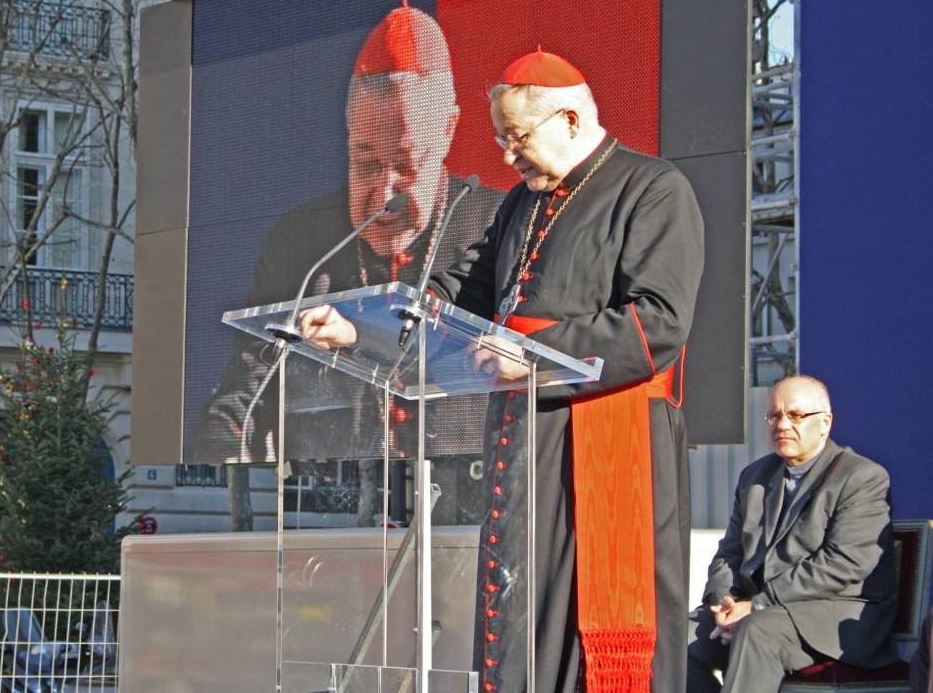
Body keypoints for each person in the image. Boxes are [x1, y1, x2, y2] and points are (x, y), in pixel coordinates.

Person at [300, 48, 704, 691]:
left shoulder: (652, 189)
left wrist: (534, 353)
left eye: (517, 137)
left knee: (587, 616)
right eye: (499, 138)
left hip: (607, 436)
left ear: (570, 120)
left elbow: (658, 323)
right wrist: (359, 327)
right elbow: (465, 290)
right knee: (521, 607)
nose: (506, 155)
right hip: (524, 438)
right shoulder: (520, 203)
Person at [195, 0, 503, 505]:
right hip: (328, 514)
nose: (382, 196)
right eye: (364, 160)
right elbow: (242, 400)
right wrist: (223, 449)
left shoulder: (495, 224)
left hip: (468, 508)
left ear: (447, 132)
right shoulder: (301, 242)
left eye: (404, 163)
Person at [687, 375, 898, 693]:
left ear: (825, 422)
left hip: (834, 616)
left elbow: (844, 563)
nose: (783, 424)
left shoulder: (861, 477)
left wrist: (757, 605)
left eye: (797, 415)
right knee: (680, 636)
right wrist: (725, 600)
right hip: (760, 609)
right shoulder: (755, 476)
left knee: (757, 631)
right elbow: (730, 552)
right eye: (774, 415)